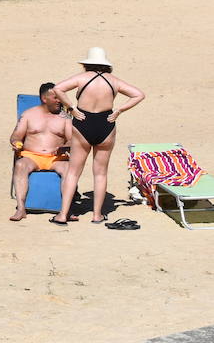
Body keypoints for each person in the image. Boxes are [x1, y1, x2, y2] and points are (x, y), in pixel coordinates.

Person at [52, 48, 145, 225]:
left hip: (83, 121)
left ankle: (62, 215)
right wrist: (119, 110)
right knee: (100, 173)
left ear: (86, 63)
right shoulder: (114, 81)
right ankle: (97, 215)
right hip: (106, 123)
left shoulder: (82, 78)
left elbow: (58, 88)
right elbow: (139, 95)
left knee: (73, 172)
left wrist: (71, 108)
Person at [9, 83, 73, 222]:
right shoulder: (29, 115)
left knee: (69, 169)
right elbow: (16, 136)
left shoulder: (65, 117)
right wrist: (15, 143)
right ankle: (21, 208)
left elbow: (71, 140)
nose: (59, 100)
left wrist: (65, 147)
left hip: (56, 157)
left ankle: (65, 211)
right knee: (20, 166)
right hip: (32, 156)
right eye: (55, 97)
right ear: (44, 99)